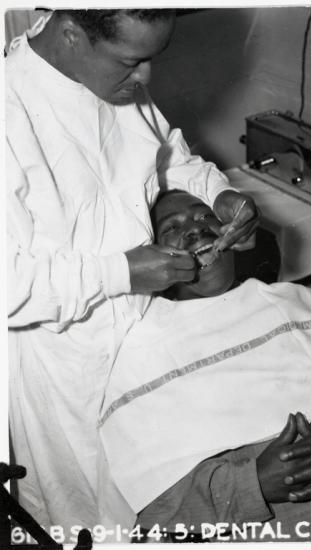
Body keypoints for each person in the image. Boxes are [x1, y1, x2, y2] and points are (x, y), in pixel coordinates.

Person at [6, 9, 258, 538]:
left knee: (157, 493)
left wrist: (219, 192)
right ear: (70, 31)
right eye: (132, 60)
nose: (145, 78)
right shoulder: (11, 117)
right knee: (87, 516)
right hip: (68, 363)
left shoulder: (116, 84)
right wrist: (119, 273)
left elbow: (167, 156)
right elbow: (11, 285)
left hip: (149, 328)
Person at [99, 190, 311, 541]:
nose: (195, 230)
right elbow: (153, 504)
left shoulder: (306, 301)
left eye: (205, 218)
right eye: (171, 228)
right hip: (259, 516)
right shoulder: (140, 350)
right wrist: (257, 482)